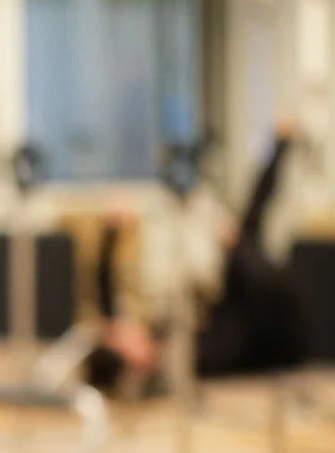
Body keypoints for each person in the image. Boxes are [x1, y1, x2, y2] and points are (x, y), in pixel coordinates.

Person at [88, 122, 310, 394]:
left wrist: (111, 236)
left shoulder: (170, 336)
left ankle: (280, 145)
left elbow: (104, 284)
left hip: (235, 317)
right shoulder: (195, 354)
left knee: (247, 247)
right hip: (237, 325)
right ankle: (279, 146)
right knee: (249, 248)